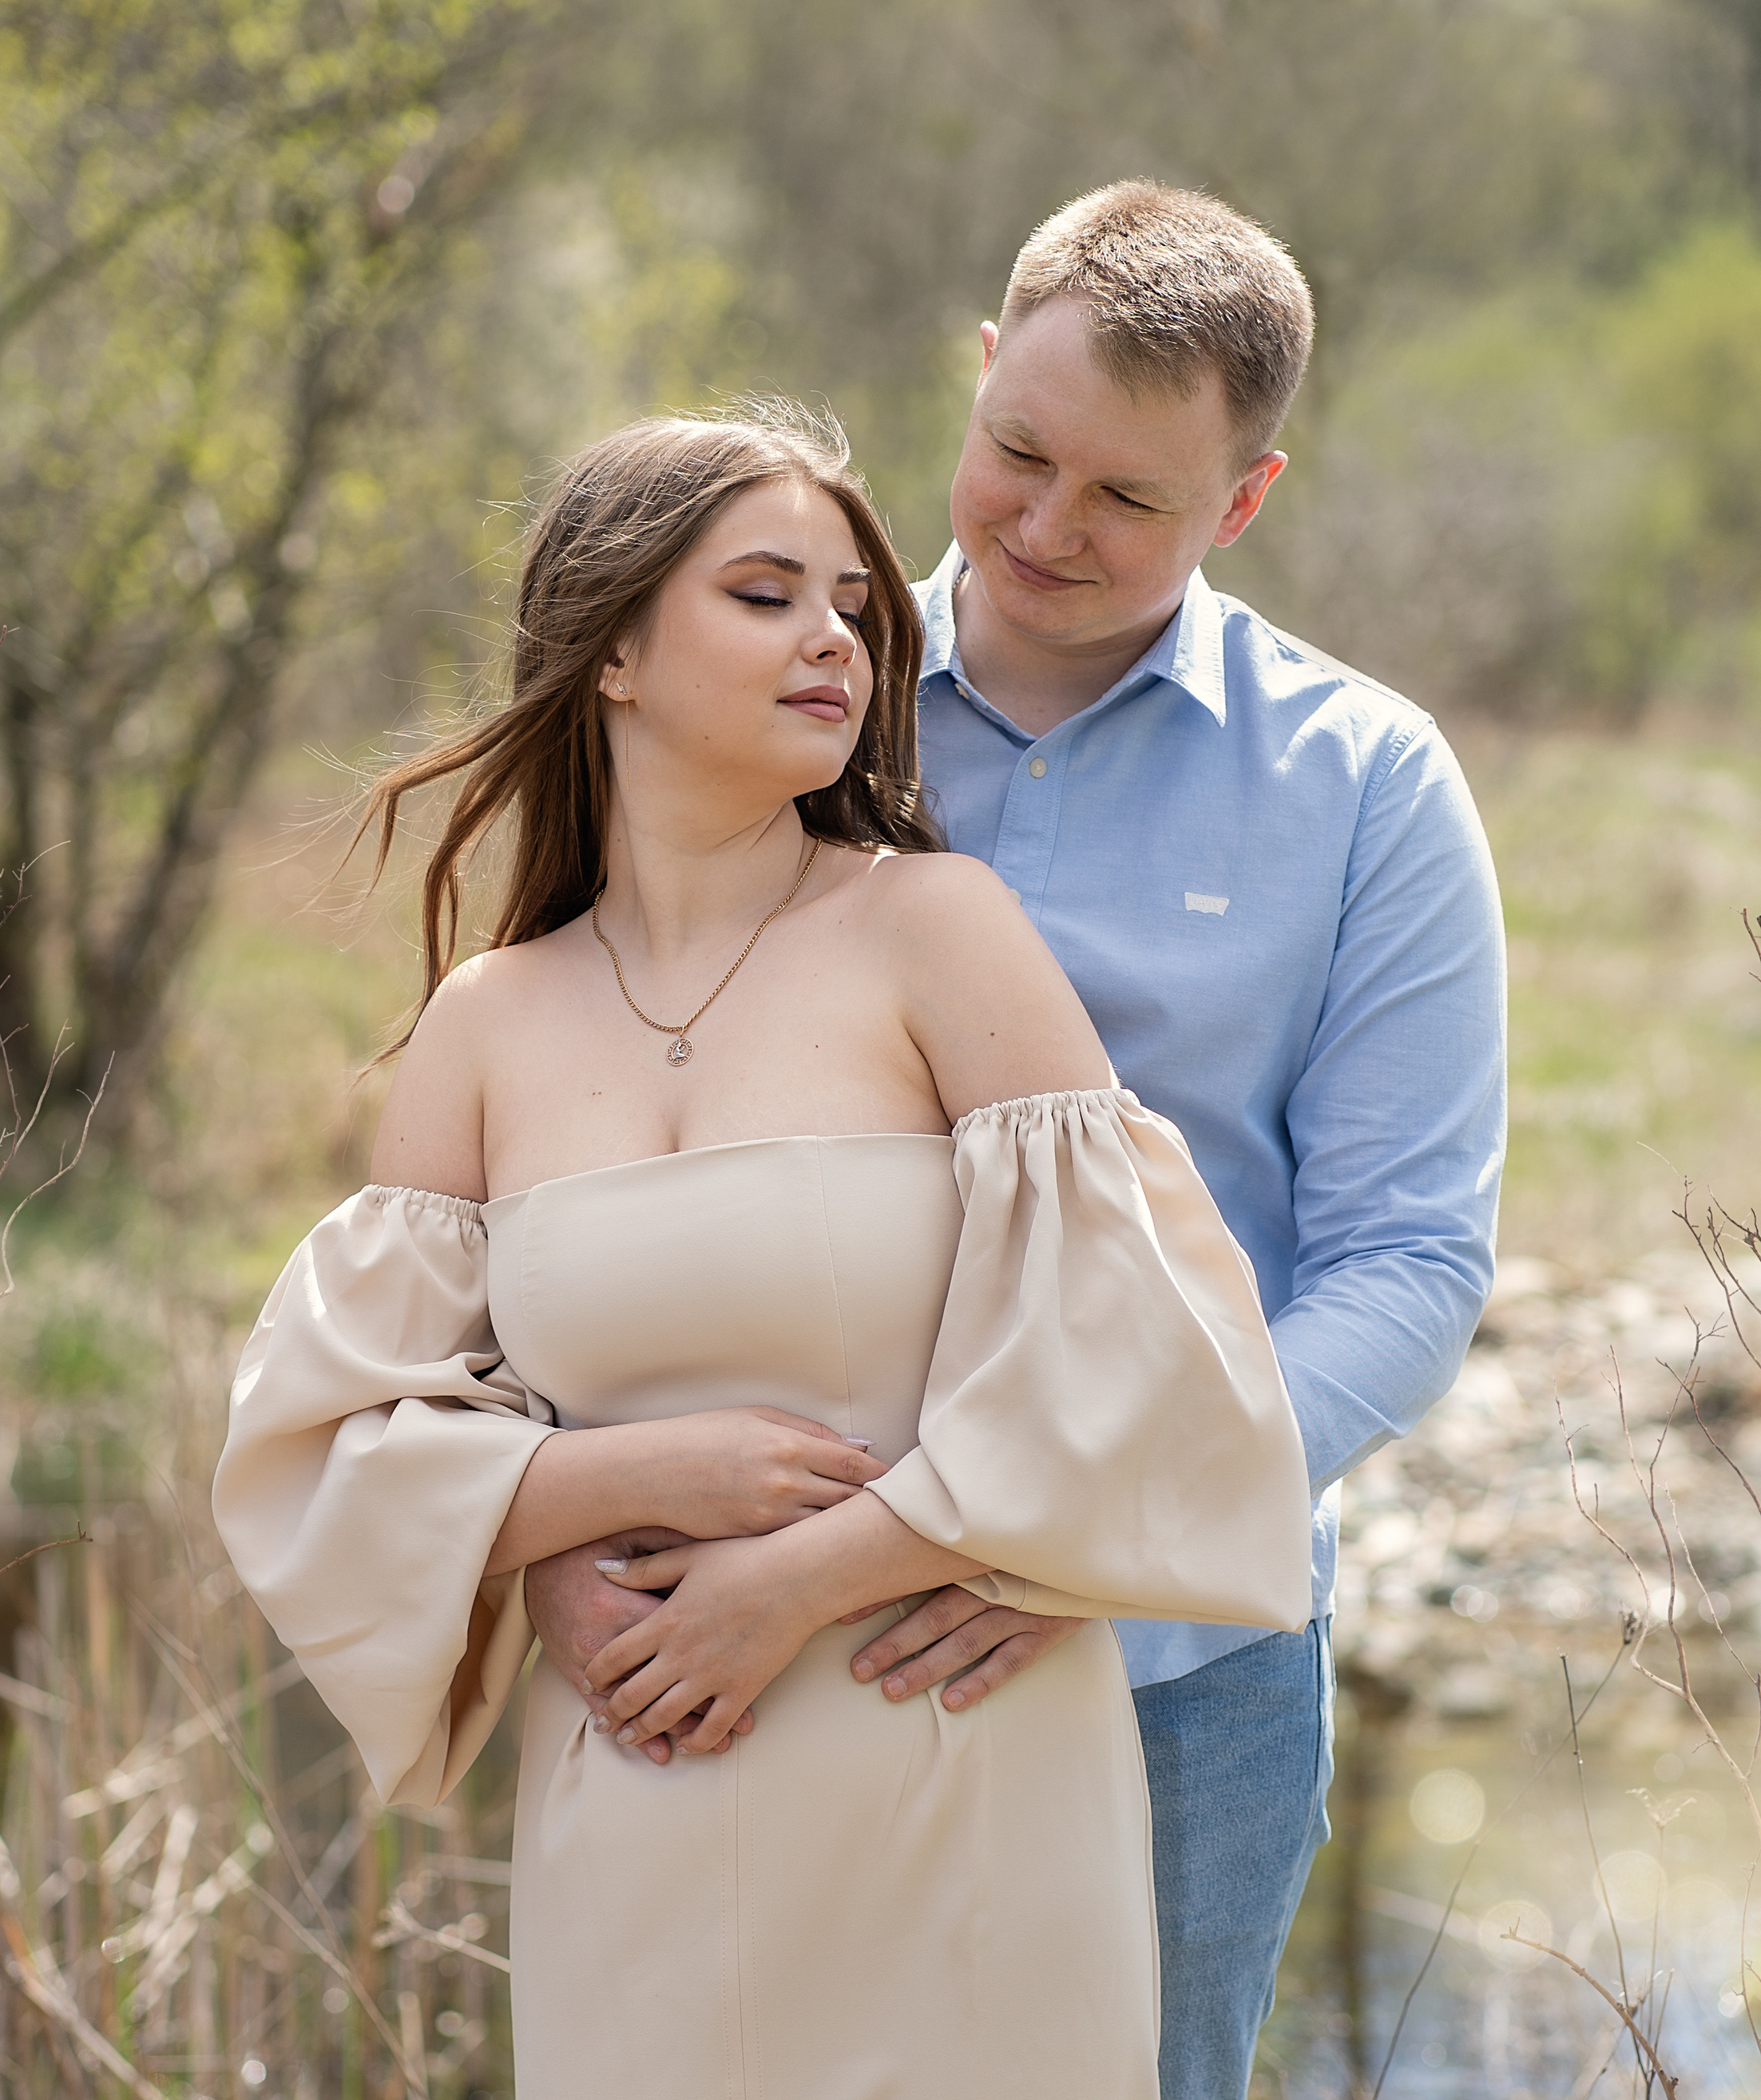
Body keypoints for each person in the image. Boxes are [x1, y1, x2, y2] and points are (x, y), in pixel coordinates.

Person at [523, 184, 1509, 2098]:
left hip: (1168, 1678)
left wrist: (1085, 1530)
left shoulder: (1365, 786)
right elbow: (556, 1137)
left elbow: (1404, 1266)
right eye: (1017, 452)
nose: (1049, 527)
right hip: (745, 1634)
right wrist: (543, 1536)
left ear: (1243, 499)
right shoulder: (768, 687)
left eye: (1130, 499)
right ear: (974, 378)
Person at [214, 402, 1312, 2096]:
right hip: (640, 1775)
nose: (838, 642)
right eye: (765, 595)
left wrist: (801, 1571)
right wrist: (590, 1508)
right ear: (613, 655)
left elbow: (1155, 1359)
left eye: (854, 609)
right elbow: (334, 1448)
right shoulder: (483, 1026)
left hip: (953, 1768)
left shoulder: (933, 931)